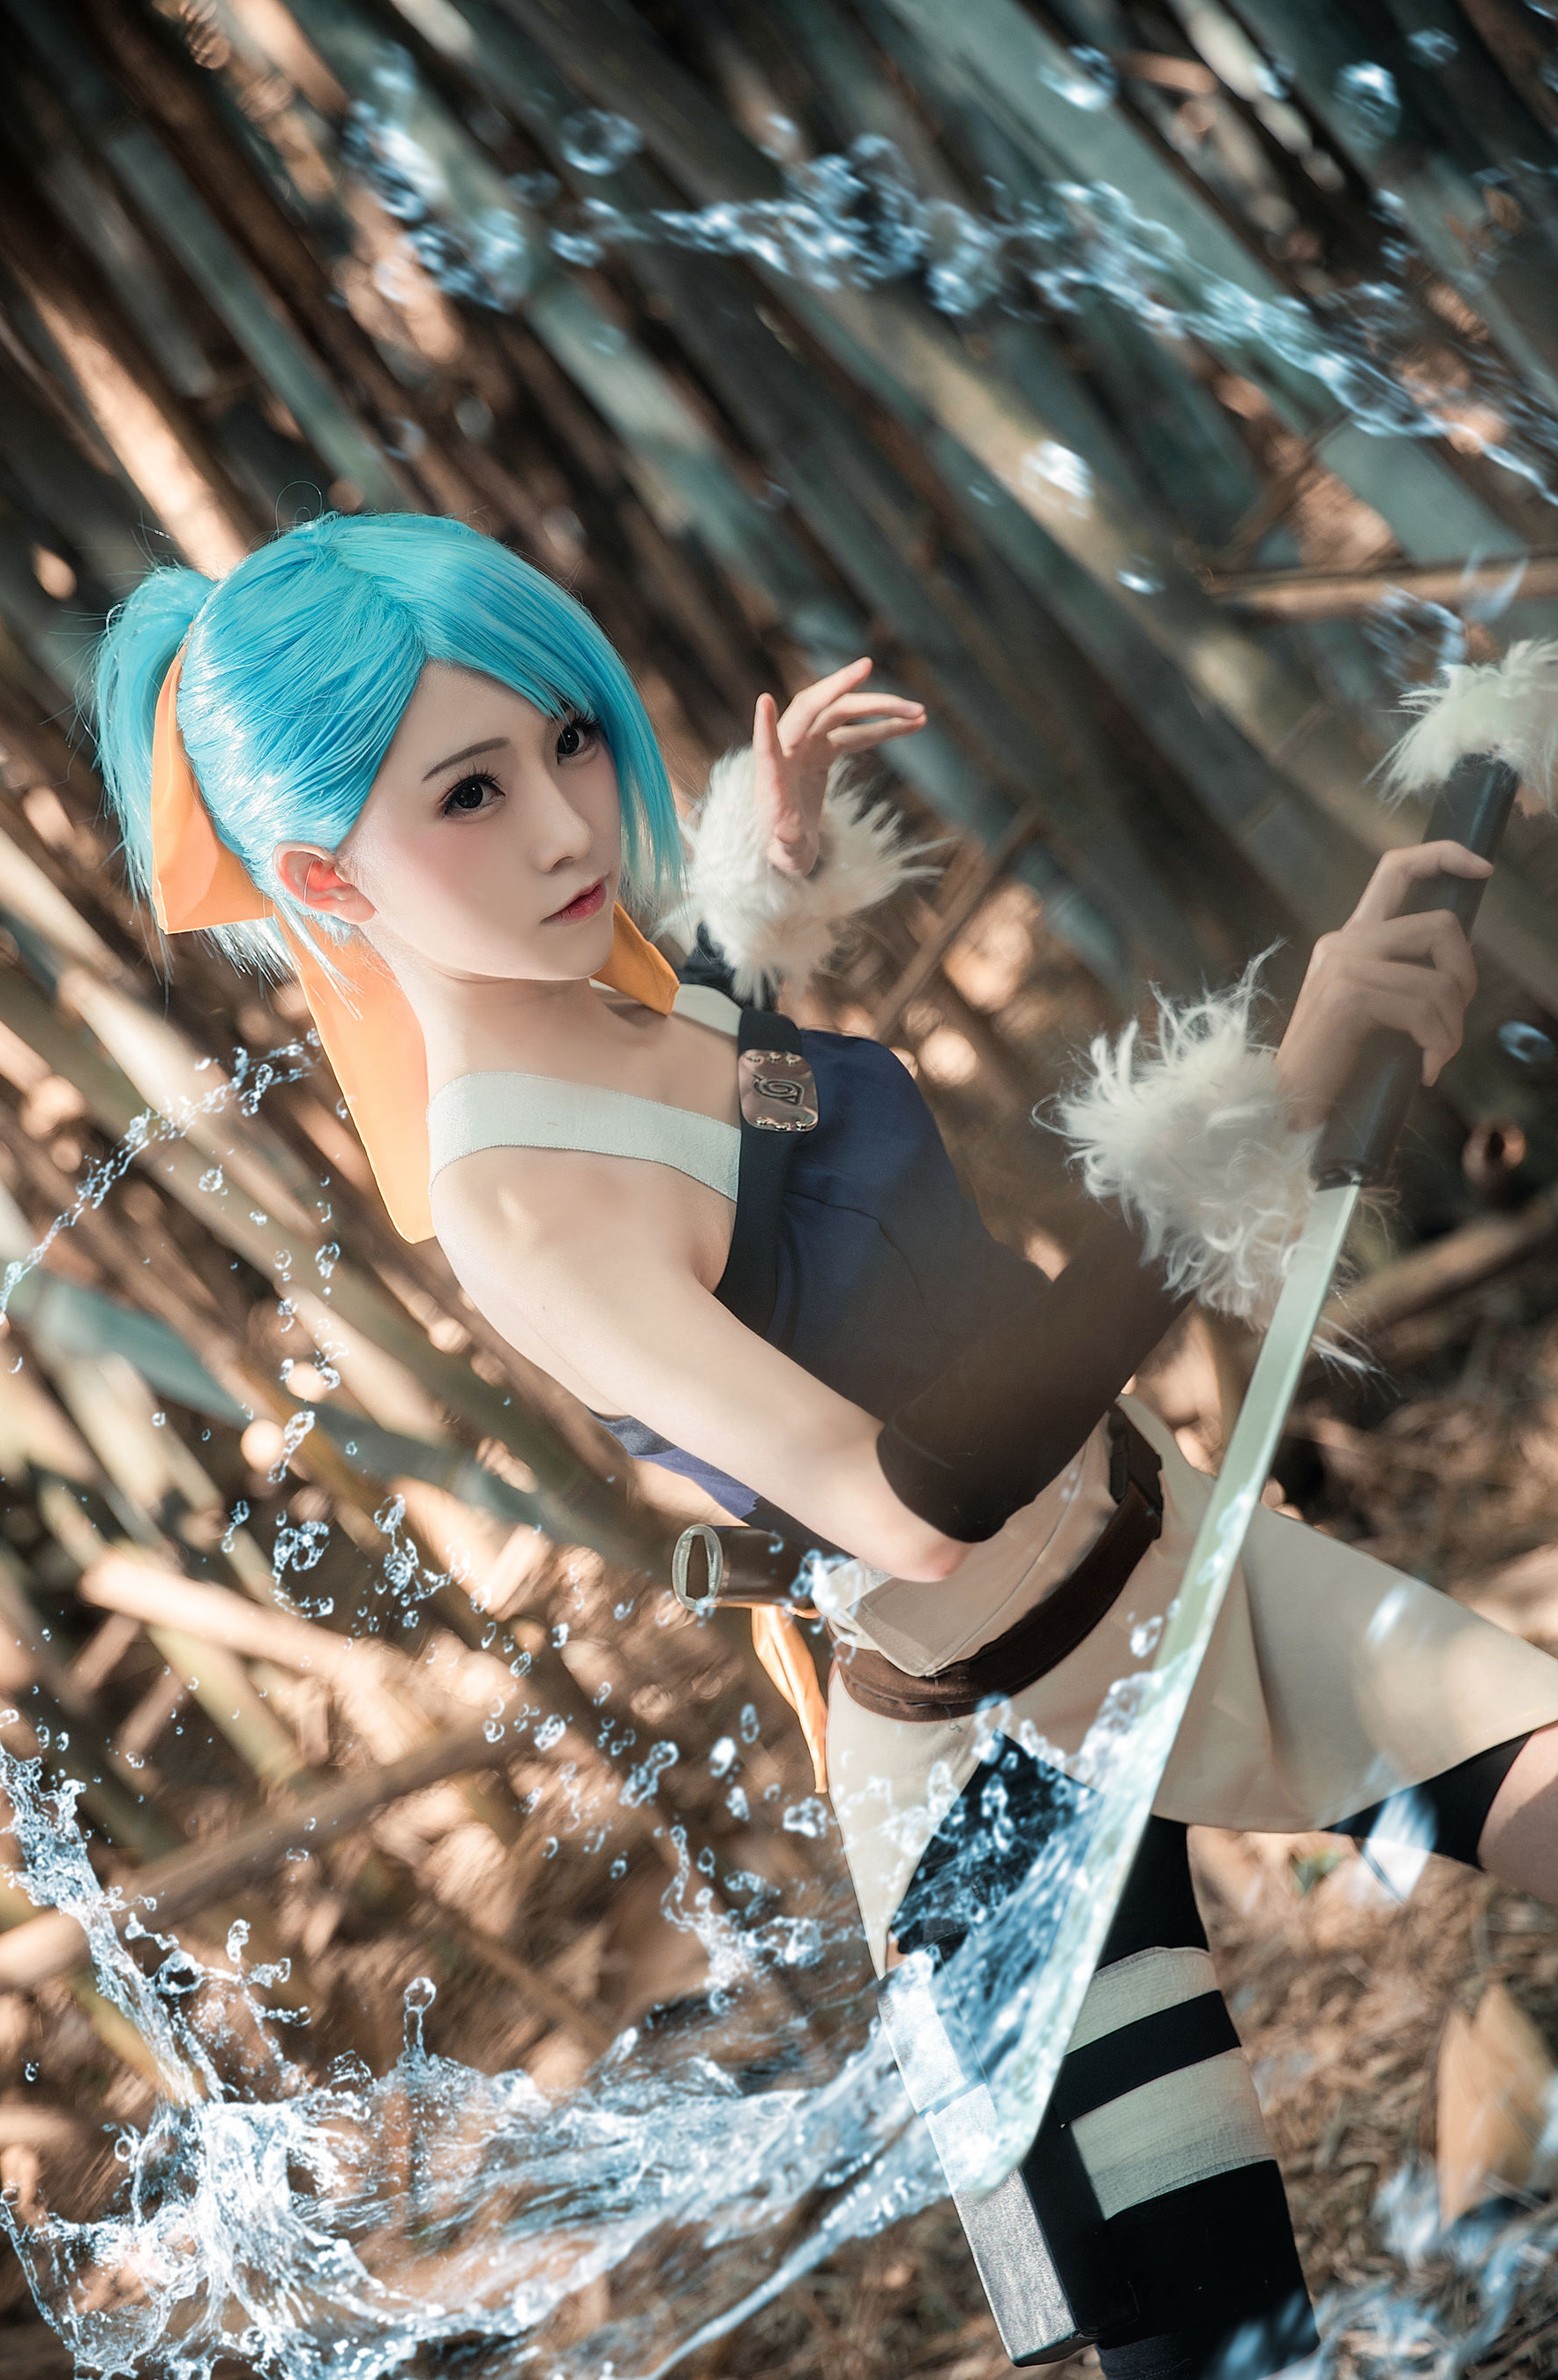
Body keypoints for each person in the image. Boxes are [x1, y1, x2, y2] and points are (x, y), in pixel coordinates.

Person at [94, 512, 1558, 2380]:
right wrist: (1260, 1104)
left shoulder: (622, 976)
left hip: (1174, 1557)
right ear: (326, 876)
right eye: (469, 792)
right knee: (1219, 2332)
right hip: (998, 1770)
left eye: (565, 739)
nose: (564, 824)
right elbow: (908, 1500)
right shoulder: (521, 1204)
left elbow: (756, 1089)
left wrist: (764, 868)